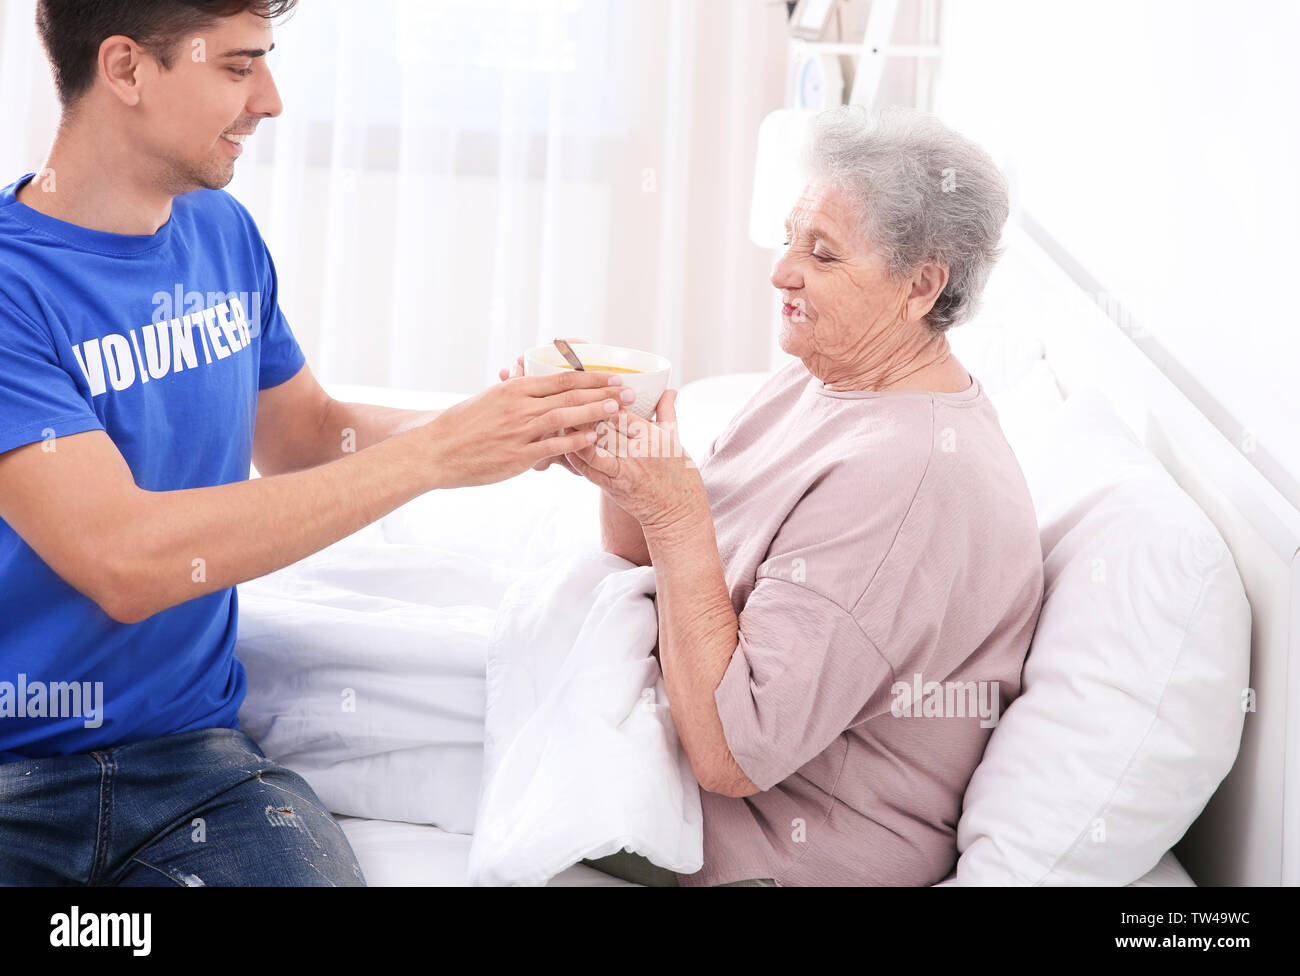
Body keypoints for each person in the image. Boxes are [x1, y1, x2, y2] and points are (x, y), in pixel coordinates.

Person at [0, 0, 634, 886]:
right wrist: (435, 454)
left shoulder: (222, 237)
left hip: (193, 768)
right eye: (236, 65)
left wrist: (510, 425)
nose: (271, 99)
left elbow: (303, 436)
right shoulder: (11, 287)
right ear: (126, 69)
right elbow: (128, 561)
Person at [557, 105, 1045, 886]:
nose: (782, 271)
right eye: (789, 238)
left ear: (920, 285)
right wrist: (630, 454)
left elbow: (730, 754)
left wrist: (677, 508)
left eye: (821, 253)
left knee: (418, 719)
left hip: (773, 847)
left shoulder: (911, 477)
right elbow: (646, 558)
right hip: (678, 742)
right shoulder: (825, 377)